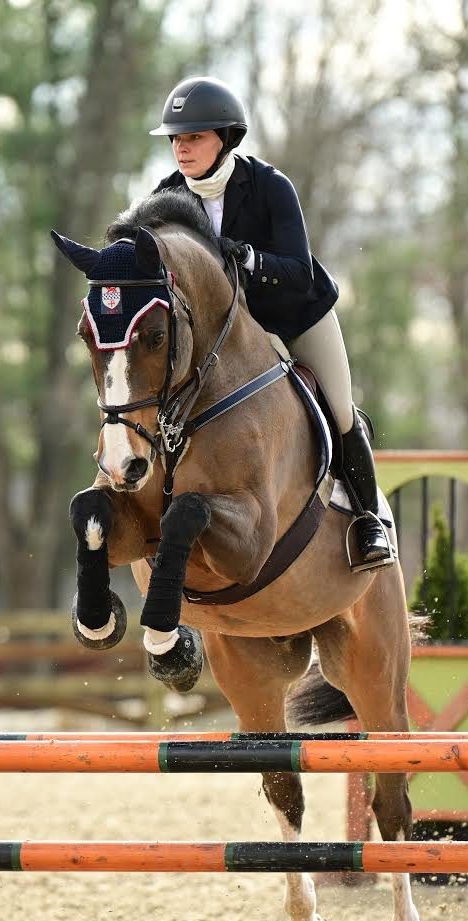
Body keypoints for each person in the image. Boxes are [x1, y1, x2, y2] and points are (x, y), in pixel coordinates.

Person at [149, 76, 392, 572]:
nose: (182, 148)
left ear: (226, 139)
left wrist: (252, 260)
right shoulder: (169, 196)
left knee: (339, 408)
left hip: (294, 316)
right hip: (226, 333)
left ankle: (368, 520)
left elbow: (299, 274)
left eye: (193, 137)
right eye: (176, 139)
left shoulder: (270, 187)